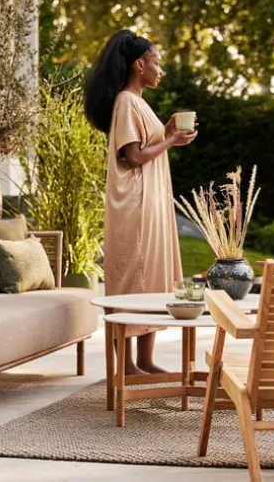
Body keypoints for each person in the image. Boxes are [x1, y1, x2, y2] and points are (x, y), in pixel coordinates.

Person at [85, 30, 197, 375]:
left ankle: (146, 360)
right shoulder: (125, 101)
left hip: (151, 202)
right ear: (139, 64)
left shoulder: (138, 102)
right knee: (135, 277)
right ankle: (127, 365)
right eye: (156, 62)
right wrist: (171, 141)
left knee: (154, 277)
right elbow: (133, 157)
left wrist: (165, 132)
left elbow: (146, 144)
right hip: (134, 203)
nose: (160, 70)